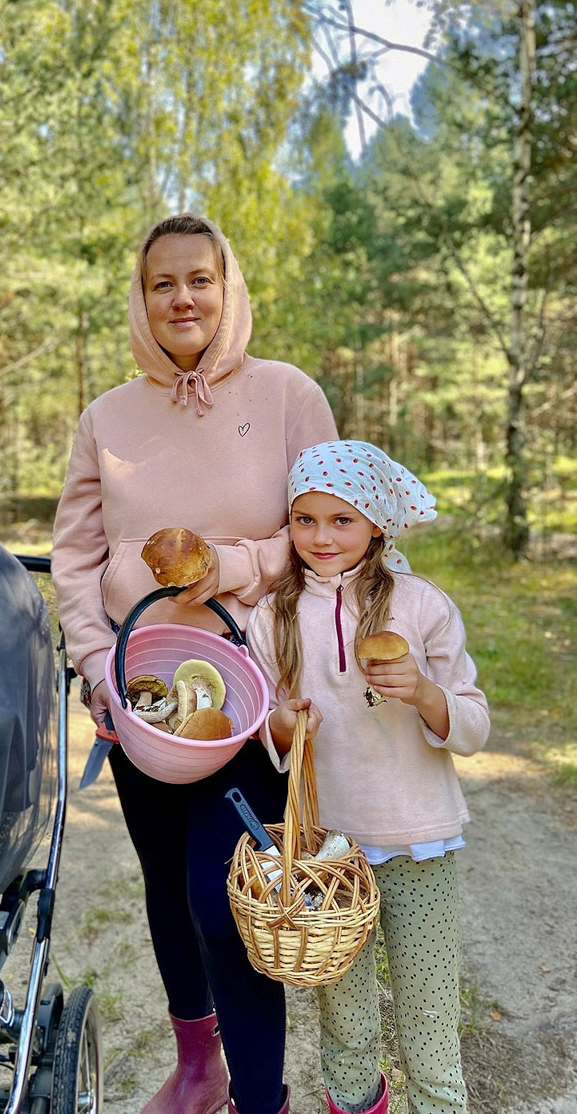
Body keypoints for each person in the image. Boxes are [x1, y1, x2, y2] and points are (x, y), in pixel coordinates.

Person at [50, 213, 337, 1114]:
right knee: (170, 895)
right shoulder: (106, 416)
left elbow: (326, 538)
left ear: (229, 287)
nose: (182, 298)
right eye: (162, 283)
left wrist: (234, 565)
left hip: (250, 692)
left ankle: (261, 1099)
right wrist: (100, 666)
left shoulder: (288, 396)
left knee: (228, 906)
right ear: (141, 300)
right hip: (138, 697)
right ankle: (197, 1066)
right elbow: (75, 555)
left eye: (199, 279)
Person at [246, 440, 491, 1114]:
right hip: (331, 854)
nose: (321, 538)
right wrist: (285, 726)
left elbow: (473, 726)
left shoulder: (421, 606)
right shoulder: (274, 615)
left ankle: (440, 1103)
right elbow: (266, 725)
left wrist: (424, 692)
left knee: (430, 1018)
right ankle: (354, 1103)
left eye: (342, 520)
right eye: (305, 520)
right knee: (347, 1025)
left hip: (421, 841)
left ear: (378, 522)